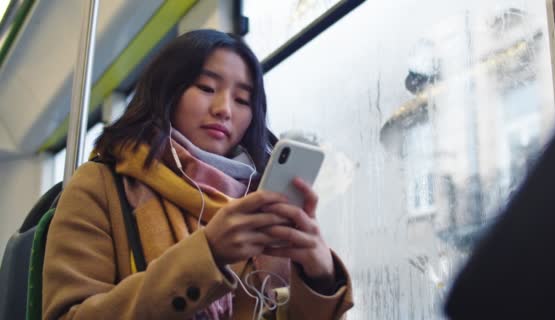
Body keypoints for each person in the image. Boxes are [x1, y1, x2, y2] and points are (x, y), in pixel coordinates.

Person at [42, 29, 353, 320]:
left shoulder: (258, 202)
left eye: (242, 100)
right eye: (206, 88)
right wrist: (208, 254)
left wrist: (319, 277)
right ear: (166, 92)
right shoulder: (99, 185)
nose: (224, 109)